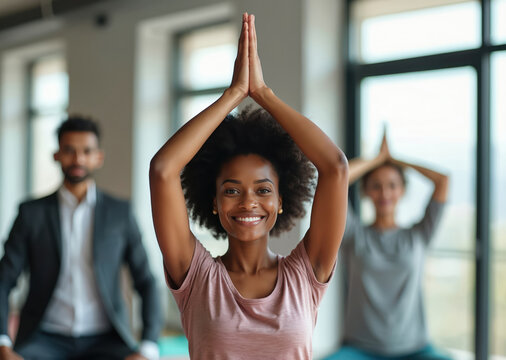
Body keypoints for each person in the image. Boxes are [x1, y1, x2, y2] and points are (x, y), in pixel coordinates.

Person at [149, 13, 348, 360]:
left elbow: (335, 167)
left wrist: (265, 94)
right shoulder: (195, 276)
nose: (247, 202)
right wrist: (234, 95)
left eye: (263, 190)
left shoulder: (306, 272)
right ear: (213, 202)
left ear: (282, 200)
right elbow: (163, 169)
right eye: (231, 190)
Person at [0, 116, 163, 360]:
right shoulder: (31, 214)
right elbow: (4, 280)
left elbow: (147, 281)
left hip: (107, 339)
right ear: (56, 155)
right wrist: (2, 342)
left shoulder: (120, 213)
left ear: (99, 157)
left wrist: (149, 347)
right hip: (44, 339)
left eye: (86, 151)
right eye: (69, 150)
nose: (78, 159)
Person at [324, 134, 451, 360]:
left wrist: (395, 159)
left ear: (402, 190)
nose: (384, 193)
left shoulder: (419, 235)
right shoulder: (354, 234)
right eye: (376, 186)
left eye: (392, 185)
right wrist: (377, 160)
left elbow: (443, 181)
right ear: (366, 191)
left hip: (416, 350)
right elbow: (336, 179)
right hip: (359, 349)